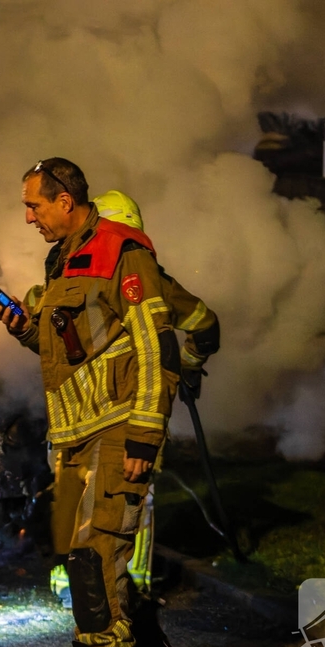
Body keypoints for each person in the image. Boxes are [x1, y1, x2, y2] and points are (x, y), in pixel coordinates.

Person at [0, 159, 179, 647]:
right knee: (87, 564)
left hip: (116, 430)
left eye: (34, 204)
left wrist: (143, 435)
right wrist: (25, 330)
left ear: (64, 201)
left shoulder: (123, 252)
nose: (28, 217)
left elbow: (155, 345)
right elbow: (70, 352)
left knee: (97, 562)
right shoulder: (64, 260)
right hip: (76, 435)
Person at [92, 190, 220, 595]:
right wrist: (190, 366)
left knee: (84, 497)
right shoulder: (153, 281)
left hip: (91, 416)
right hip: (126, 413)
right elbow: (205, 325)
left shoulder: (73, 276)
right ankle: (128, 590)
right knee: (132, 500)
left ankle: (90, 590)